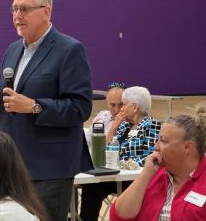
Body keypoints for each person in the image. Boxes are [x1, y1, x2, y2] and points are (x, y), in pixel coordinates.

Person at [0, 0, 92, 221]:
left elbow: (80, 108)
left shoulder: (69, 49)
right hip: (12, 164)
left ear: (46, 11)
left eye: (24, 9)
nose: (17, 16)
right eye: (14, 9)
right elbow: (7, 105)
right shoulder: (13, 50)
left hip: (50, 166)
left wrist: (35, 106)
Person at [110, 104, 206, 221]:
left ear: (187, 147)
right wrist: (145, 174)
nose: (156, 147)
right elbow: (118, 216)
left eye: (163, 141)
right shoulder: (155, 175)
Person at [80, 86, 162, 221]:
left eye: (123, 104)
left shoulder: (151, 124)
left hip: (136, 180)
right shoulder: (124, 126)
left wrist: (124, 164)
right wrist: (114, 127)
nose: (121, 109)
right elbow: (103, 151)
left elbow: (149, 156)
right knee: (91, 186)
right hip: (116, 176)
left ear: (135, 107)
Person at [85, 82, 126, 146]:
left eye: (121, 104)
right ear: (106, 101)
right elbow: (88, 143)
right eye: (112, 105)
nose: (117, 110)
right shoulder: (101, 115)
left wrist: (114, 126)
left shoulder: (131, 122)